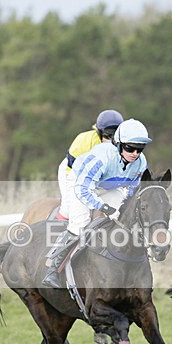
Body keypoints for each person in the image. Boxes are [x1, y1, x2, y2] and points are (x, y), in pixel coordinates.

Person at [42, 118, 152, 288]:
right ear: (119, 143)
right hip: (80, 182)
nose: (135, 154)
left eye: (140, 149)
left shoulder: (141, 162)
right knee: (80, 223)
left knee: (122, 217)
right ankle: (52, 268)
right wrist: (104, 207)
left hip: (108, 184)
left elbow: (132, 189)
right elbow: (83, 190)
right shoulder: (103, 157)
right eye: (130, 148)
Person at [56, 109, 124, 220]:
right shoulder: (85, 141)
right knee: (69, 210)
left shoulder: (122, 144)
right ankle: (58, 234)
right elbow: (81, 177)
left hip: (100, 176)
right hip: (72, 172)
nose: (112, 140)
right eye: (108, 136)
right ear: (99, 132)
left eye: (115, 135)